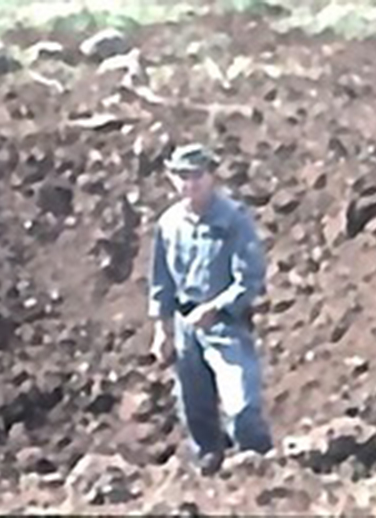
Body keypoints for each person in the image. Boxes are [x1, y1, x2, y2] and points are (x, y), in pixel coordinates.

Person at [147, 143, 273, 476]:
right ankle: (211, 472)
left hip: (225, 325)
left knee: (241, 406)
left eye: (197, 176)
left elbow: (250, 278)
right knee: (194, 408)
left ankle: (261, 469)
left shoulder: (233, 219)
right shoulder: (169, 223)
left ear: (211, 176)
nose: (190, 185)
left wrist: (216, 307)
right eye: (182, 177)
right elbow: (162, 282)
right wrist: (162, 330)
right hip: (186, 325)